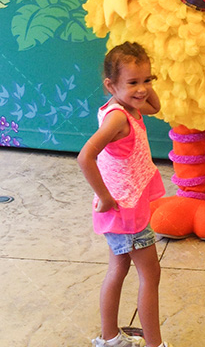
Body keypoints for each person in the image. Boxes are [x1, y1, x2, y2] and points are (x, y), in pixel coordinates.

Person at [78, 42, 172, 347]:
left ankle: (110, 338)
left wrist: (142, 87)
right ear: (110, 85)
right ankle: (155, 344)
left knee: (118, 268)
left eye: (148, 80)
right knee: (150, 274)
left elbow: (156, 107)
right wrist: (104, 197)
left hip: (124, 208)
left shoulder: (125, 107)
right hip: (125, 210)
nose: (143, 89)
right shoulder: (118, 118)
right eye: (133, 82)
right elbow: (85, 156)